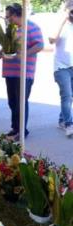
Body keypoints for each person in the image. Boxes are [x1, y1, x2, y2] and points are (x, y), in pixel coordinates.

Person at [0, 3, 44, 140]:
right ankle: (15, 128)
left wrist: (24, 54)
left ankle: (21, 131)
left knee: (21, 102)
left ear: (16, 14)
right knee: (12, 102)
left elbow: (40, 44)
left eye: (8, 16)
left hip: (24, 72)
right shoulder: (12, 29)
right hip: (10, 72)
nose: (7, 19)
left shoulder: (31, 27)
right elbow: (6, 47)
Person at [49, 1, 73, 137]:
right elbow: (52, 39)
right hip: (61, 67)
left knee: (70, 97)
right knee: (67, 95)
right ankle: (69, 125)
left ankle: (62, 120)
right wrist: (63, 19)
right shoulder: (60, 24)